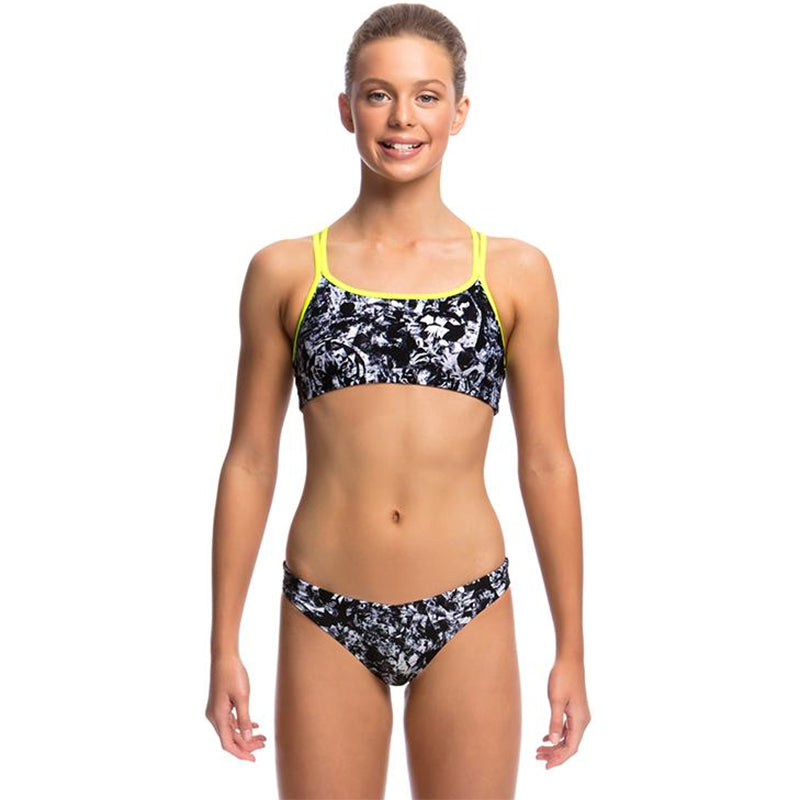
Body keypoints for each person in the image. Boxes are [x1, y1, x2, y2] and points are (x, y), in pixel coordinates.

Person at [205, 3, 591, 797]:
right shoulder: (286, 271)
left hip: (468, 604)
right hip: (325, 607)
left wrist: (572, 650)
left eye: (426, 95)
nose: (402, 117)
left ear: (459, 112)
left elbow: (548, 464)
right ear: (347, 109)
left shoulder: (514, 273)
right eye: (378, 94)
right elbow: (249, 462)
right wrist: (222, 646)